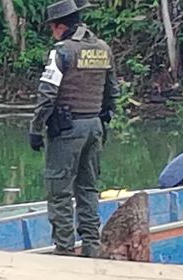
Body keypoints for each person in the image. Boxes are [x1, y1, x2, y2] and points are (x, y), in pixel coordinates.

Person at [29, 0, 118, 257]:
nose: (52, 33)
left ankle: (64, 251)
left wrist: (36, 128)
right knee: (88, 189)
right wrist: (102, 120)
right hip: (94, 126)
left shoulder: (62, 52)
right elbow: (112, 92)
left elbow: (47, 94)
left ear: (59, 26)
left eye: (52, 28)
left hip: (67, 130)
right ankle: (91, 246)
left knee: (59, 191)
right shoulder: (103, 49)